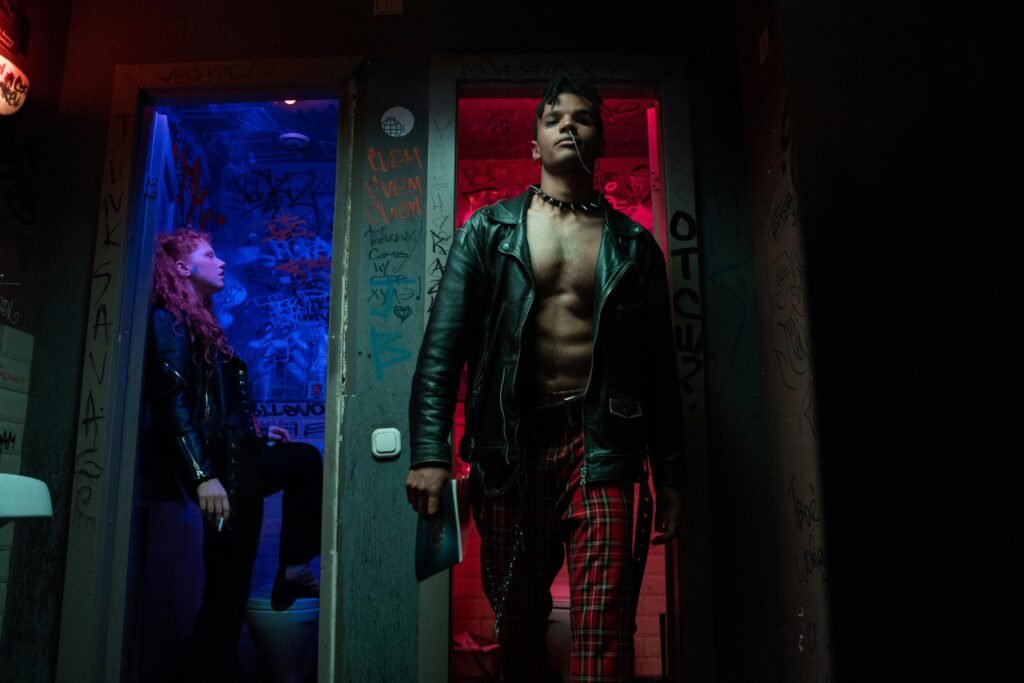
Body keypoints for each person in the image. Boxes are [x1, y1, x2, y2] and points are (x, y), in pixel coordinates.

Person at [406, 75, 686, 682]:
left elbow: (660, 371)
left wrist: (670, 476)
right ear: (535, 143)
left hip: (602, 444)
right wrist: (429, 452)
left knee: (605, 626)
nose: (568, 125)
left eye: (582, 118)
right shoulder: (488, 232)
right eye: (555, 118)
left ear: (598, 141)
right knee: (518, 625)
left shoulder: (634, 247)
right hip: (512, 448)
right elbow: (443, 346)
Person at [146, 228, 323, 678]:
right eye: (210, 255)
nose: (221, 261)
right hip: (222, 467)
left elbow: (218, 404)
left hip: (240, 454)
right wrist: (202, 476)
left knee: (304, 461)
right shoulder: (170, 320)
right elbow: (174, 402)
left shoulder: (199, 317)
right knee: (226, 592)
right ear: (183, 267)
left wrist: (256, 433)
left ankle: (293, 569)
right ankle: (207, 671)